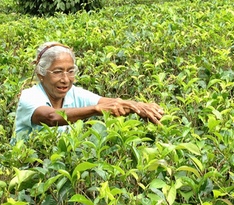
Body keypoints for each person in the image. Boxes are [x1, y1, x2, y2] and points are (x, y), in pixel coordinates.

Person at [13, 42, 164, 140]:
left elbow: (109, 103)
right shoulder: (30, 97)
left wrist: (137, 106)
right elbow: (51, 117)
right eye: (58, 72)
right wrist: (96, 109)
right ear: (41, 73)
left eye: (71, 71)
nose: (65, 79)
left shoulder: (74, 93)